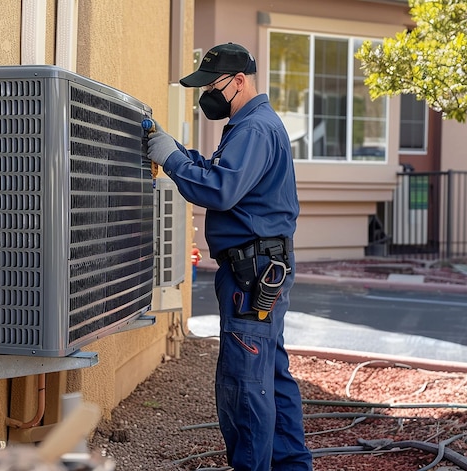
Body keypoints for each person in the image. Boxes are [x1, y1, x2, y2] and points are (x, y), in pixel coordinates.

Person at [146, 43, 313, 471]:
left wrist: (169, 159)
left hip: (251, 273)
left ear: (239, 81)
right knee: (271, 378)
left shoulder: (255, 129)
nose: (208, 95)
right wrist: (177, 152)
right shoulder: (248, 126)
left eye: (213, 85)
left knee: (245, 383)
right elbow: (220, 174)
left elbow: (219, 189)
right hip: (260, 268)